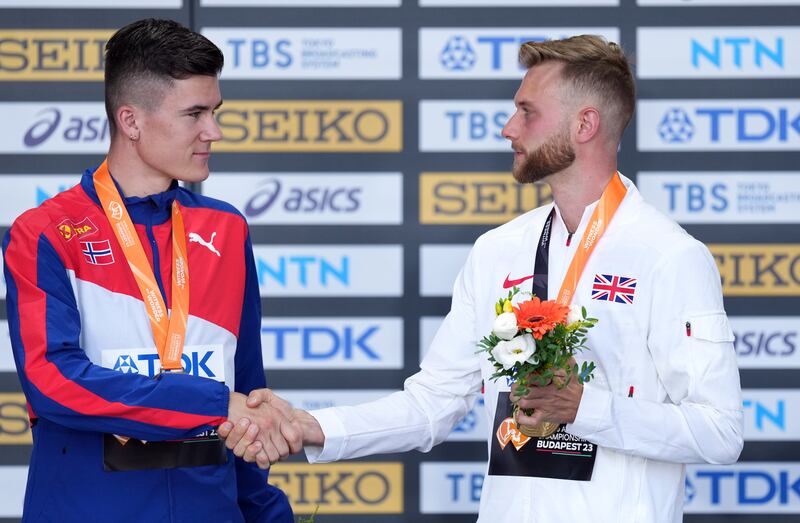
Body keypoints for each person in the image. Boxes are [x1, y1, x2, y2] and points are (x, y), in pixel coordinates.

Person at [220, 35, 744, 522]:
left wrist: (588, 409)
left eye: (527, 112)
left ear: (584, 125)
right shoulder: (499, 249)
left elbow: (720, 433)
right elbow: (432, 405)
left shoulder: (669, 256)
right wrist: (312, 427)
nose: (508, 128)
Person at [2, 18, 300, 522]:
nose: (215, 131)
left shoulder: (225, 227)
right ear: (131, 121)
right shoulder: (47, 231)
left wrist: (264, 511)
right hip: (88, 508)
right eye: (195, 114)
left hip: (211, 506)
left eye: (215, 111)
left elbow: (245, 384)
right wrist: (212, 402)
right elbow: (53, 380)